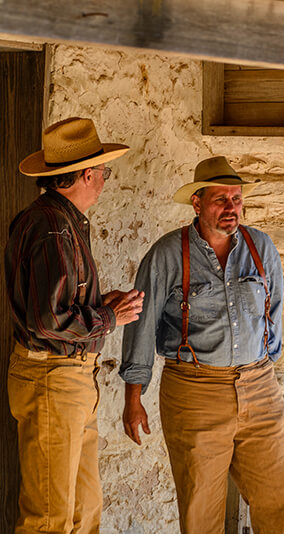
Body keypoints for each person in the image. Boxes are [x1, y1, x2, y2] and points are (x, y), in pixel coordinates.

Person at [120, 156, 284, 533]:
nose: (231, 207)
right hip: (194, 391)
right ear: (197, 204)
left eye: (236, 198)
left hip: (259, 386)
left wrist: (265, 367)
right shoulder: (168, 254)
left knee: (278, 500)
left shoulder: (261, 247)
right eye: (220, 199)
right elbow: (141, 323)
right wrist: (133, 399)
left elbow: (274, 311)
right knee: (202, 510)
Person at [5, 116, 145, 533]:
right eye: (103, 172)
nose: (104, 179)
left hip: (69, 379)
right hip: (53, 378)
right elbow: (48, 319)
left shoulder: (59, 221)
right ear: (87, 175)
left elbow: (52, 305)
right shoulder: (52, 227)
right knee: (49, 517)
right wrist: (108, 316)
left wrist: (98, 303)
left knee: (84, 511)